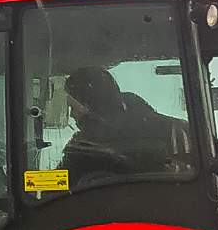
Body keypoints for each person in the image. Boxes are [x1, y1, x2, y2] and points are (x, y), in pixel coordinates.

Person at [60, 66, 191, 188]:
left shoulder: (83, 148)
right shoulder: (177, 131)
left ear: (91, 105)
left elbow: (58, 185)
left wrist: (46, 181)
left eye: (75, 107)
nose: (72, 114)